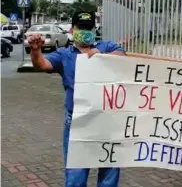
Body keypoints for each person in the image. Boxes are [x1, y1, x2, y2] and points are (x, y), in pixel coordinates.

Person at [28, 11, 125, 187]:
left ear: (95, 29)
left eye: (89, 28)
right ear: (72, 30)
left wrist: (102, 56)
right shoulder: (64, 54)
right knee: (75, 176)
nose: (86, 31)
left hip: (108, 121)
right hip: (77, 122)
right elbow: (42, 64)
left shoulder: (106, 47)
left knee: (109, 173)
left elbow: (123, 56)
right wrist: (36, 51)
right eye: (82, 28)